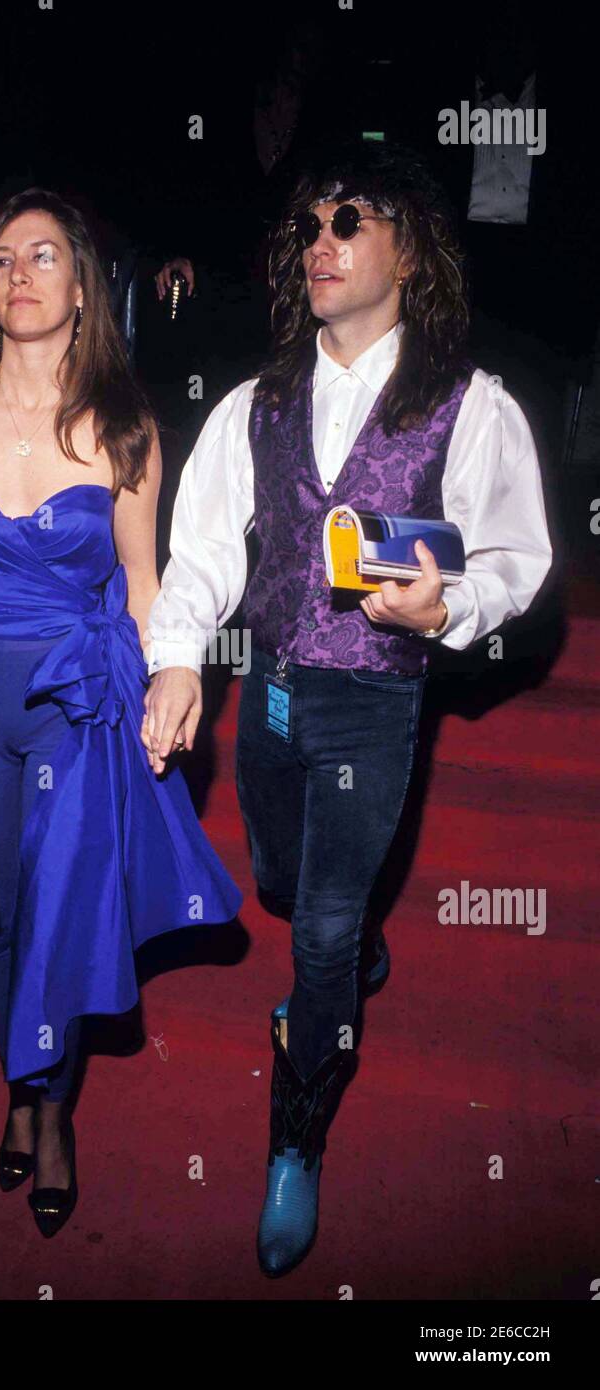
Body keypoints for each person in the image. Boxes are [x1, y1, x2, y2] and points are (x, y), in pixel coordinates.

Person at [141, 141, 552, 1277]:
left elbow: (516, 554)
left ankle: (296, 1135)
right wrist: (177, 657)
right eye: (308, 227)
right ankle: (351, 941)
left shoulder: (469, 406)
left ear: (408, 251)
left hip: (375, 699)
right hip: (272, 687)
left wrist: (451, 606)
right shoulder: (254, 402)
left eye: (349, 220)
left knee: (316, 931)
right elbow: (206, 546)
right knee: (281, 887)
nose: (320, 241)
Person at [0, 187, 242, 1238]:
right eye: (4, 257)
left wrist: (170, 674)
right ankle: (21, 1082)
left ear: (82, 289)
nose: (21, 272)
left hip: (74, 698)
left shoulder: (123, 429)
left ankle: (48, 1106)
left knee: (62, 903)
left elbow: (146, 582)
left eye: (46, 255)